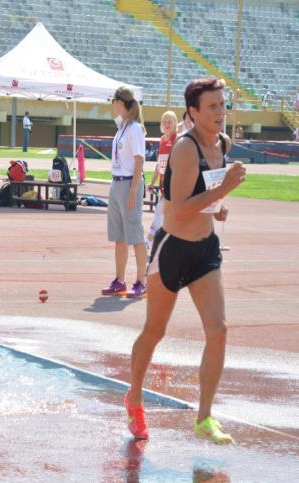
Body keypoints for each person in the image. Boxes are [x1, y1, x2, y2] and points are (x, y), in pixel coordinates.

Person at [125, 77, 246, 445]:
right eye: (212, 107)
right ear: (192, 112)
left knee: (219, 329)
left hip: (205, 249)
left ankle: (205, 417)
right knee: (155, 331)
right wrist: (223, 189)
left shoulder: (222, 144)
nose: (220, 113)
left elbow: (203, 198)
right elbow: (177, 212)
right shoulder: (184, 148)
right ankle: (135, 396)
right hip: (173, 250)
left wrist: (217, 207)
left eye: (222, 105)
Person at [102, 86, 148, 299]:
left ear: (120, 102)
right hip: (117, 181)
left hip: (130, 182)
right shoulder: (123, 126)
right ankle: (119, 280)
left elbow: (139, 160)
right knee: (119, 236)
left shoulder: (135, 129)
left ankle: (141, 281)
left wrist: (134, 190)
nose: (113, 105)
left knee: (135, 235)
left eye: (114, 101)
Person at [146, 111, 178, 247]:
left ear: (175, 123)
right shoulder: (162, 141)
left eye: (170, 121)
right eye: (164, 121)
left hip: (175, 184)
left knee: (160, 211)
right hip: (164, 183)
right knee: (165, 213)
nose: (167, 124)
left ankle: (149, 240)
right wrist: (152, 182)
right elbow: (160, 164)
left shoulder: (178, 139)